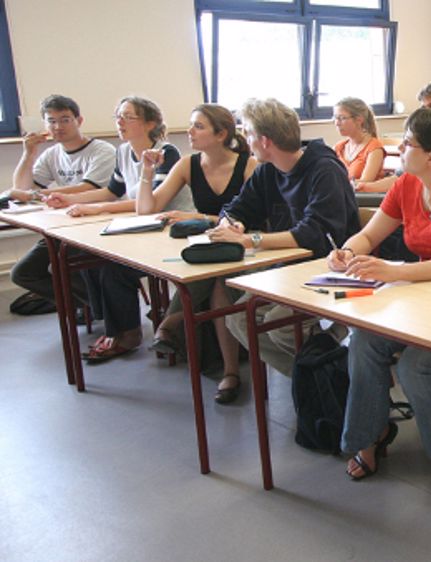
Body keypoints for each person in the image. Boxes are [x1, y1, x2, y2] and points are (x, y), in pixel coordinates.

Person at [327, 107, 431, 482]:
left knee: (415, 365)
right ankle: (370, 436)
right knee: (363, 342)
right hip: (425, 298)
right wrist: (348, 251)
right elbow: (370, 235)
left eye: (407, 143)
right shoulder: (406, 185)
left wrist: (396, 271)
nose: (399, 149)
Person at [221, 98, 359, 392]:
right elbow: (237, 207)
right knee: (237, 318)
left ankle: (335, 381)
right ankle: (317, 384)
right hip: (291, 270)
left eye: (248, 134)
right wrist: (232, 224)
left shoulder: (324, 169)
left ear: (265, 141)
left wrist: (250, 239)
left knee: (282, 325)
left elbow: (315, 233)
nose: (245, 142)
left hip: (331, 268)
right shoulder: (267, 169)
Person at [46, 96, 187, 362]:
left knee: (112, 267)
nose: (119, 122)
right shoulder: (123, 151)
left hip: (166, 228)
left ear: (150, 123)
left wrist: (98, 209)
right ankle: (113, 325)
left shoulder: (166, 153)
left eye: (127, 117)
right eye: (117, 117)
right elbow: (112, 191)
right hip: (140, 227)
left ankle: (126, 333)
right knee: (84, 257)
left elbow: (152, 203)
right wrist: (70, 200)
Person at [135, 104, 257, 403]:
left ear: (221, 134)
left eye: (198, 126)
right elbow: (146, 209)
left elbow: (253, 220)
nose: (189, 132)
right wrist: (147, 173)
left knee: (217, 281)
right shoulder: (188, 164)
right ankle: (228, 372)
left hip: (243, 248)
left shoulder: (249, 165)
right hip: (205, 247)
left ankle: (171, 324)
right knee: (208, 275)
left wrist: (203, 218)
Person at [8, 95, 116, 309]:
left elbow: (89, 188)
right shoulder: (52, 153)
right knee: (23, 273)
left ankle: (100, 307)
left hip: (95, 225)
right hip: (62, 227)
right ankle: (86, 306)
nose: (58, 126)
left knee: (58, 268)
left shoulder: (102, 150)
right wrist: (28, 154)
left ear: (79, 120)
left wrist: (34, 196)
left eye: (65, 119)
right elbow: (21, 188)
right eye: (51, 121)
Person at [332, 97, 385, 183]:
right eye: (335, 118)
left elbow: (365, 182)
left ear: (359, 119)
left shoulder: (374, 148)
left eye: (342, 118)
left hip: (362, 195)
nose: (337, 123)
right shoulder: (338, 148)